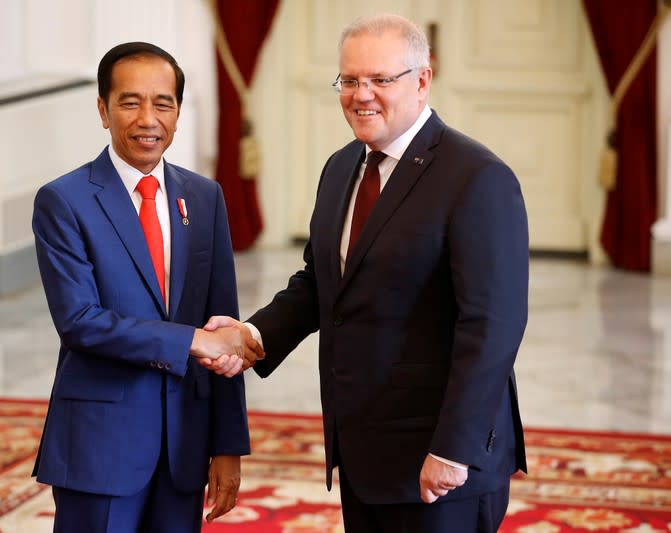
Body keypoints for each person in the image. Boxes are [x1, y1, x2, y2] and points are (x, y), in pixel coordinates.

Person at [206, 13, 529, 533]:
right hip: (361, 452)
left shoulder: (478, 178)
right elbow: (321, 283)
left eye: (381, 79)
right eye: (350, 80)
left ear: (422, 80)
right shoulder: (341, 169)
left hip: (441, 463)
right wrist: (250, 337)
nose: (362, 95)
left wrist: (454, 449)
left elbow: (493, 326)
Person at [31, 41, 262, 533]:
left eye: (163, 103)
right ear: (103, 109)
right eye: (130, 102)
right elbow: (80, 322)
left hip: (184, 447)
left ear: (178, 112)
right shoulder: (64, 201)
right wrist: (193, 340)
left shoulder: (205, 197)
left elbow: (224, 319)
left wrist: (227, 445)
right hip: (100, 448)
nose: (147, 119)